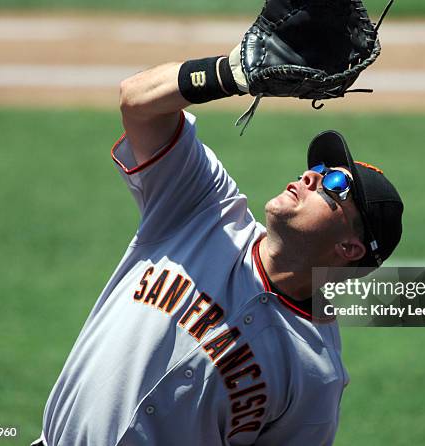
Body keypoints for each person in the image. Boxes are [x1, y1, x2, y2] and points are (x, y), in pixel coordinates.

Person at [32, 52, 403, 446]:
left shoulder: (316, 375)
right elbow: (137, 101)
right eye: (316, 170)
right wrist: (233, 74)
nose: (310, 176)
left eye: (334, 186)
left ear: (349, 248)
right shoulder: (206, 209)